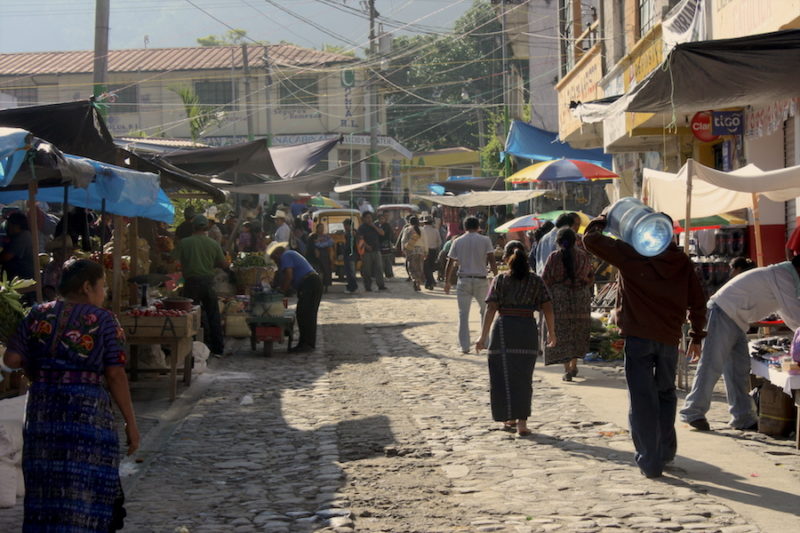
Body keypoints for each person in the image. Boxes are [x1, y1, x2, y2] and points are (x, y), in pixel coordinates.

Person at [2, 258, 139, 532]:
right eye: (102, 286)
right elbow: (115, 375)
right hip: (86, 414)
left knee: (46, 484)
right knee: (86, 485)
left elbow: (12, 358)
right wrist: (131, 424)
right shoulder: (104, 321)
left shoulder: (37, 314)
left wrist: (38, 367)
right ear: (87, 287)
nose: (104, 294)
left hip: (43, 413)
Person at [583, 213, 706, 478]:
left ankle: (650, 461)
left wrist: (604, 217)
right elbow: (698, 299)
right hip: (669, 339)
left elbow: (590, 239)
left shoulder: (629, 254)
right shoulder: (680, 260)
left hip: (639, 337)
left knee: (642, 399)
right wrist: (696, 335)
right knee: (665, 394)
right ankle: (665, 452)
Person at [680, 256, 800, 432]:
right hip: (723, 312)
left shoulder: (782, 276)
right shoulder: (782, 275)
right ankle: (693, 412)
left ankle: (743, 417)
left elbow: (788, 312)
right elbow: (794, 314)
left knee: (739, 369)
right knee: (711, 364)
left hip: (735, 318)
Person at [475, 240, 556, 436]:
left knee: (502, 377)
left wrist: (482, 337)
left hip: (504, 331)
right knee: (523, 378)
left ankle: (508, 418)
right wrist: (552, 333)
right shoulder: (536, 280)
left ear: (506, 258)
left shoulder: (500, 280)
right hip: (527, 331)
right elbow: (548, 308)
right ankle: (521, 423)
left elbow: (491, 308)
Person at [542, 227, 593, 381]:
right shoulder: (584, 257)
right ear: (575, 241)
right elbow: (590, 277)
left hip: (560, 300)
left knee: (561, 332)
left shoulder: (554, 257)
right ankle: (574, 365)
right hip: (580, 299)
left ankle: (566, 369)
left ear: (558, 241)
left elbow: (545, 279)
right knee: (577, 332)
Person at [174, 215, 228, 356]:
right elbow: (223, 264)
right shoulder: (213, 244)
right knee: (213, 315)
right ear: (206, 227)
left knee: (189, 316)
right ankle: (217, 349)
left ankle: (189, 349)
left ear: (193, 227)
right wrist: (210, 263)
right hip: (208, 282)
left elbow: (172, 260)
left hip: (191, 283)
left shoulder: (184, 243)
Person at [444, 216, 498, 354]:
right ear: (478, 227)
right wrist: (497, 278)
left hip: (464, 280)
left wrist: (447, 282)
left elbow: (450, 262)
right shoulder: (485, 240)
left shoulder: (457, 241)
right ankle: (485, 341)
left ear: (464, 227)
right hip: (481, 280)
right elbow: (492, 260)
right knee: (485, 312)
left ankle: (465, 346)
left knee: (463, 314)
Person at [269, 242, 323, 352]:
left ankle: (307, 344)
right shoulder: (289, 255)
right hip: (310, 283)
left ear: (277, 254)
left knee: (306, 313)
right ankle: (305, 343)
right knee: (304, 313)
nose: (276, 262)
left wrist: (282, 291)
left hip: (310, 283)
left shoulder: (286, 256)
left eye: (275, 259)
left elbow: (289, 276)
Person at [356, 211, 387, 292]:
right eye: (367, 218)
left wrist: (374, 226)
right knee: (367, 270)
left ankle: (381, 285)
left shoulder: (375, 225)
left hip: (376, 250)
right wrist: (366, 246)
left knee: (379, 268)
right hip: (367, 252)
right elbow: (360, 238)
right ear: (363, 219)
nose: (369, 219)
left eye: (370, 217)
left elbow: (382, 233)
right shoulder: (362, 227)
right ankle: (368, 286)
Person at [0, 211, 35, 282]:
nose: (8, 226)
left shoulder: (23, 236)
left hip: (22, 278)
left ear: (17, 225)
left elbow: (6, 257)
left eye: (10, 224)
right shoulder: (16, 236)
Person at [42, 234, 76, 301]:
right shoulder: (52, 267)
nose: (56, 256)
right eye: (54, 252)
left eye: (59, 252)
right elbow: (48, 289)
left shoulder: (76, 265)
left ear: (70, 252)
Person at [401, 215, 427, 292]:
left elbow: (403, 240)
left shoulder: (407, 229)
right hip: (421, 251)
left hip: (410, 250)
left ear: (409, 222)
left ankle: (415, 280)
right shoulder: (422, 229)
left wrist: (403, 249)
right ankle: (418, 283)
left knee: (412, 268)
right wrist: (426, 251)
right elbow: (425, 241)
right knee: (419, 268)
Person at [307, 222, 334, 291]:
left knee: (326, 271)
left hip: (325, 255)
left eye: (322, 228)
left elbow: (331, 242)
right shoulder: (313, 236)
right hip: (315, 257)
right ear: (317, 228)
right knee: (317, 271)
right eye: (320, 228)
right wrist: (318, 244)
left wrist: (321, 243)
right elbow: (312, 245)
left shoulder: (326, 236)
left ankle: (325, 286)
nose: (321, 229)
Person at [421, 215, 442, 290]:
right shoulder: (435, 230)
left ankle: (430, 282)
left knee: (426, 267)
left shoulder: (422, 230)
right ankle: (429, 282)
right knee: (430, 267)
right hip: (433, 251)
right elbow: (439, 242)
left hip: (424, 251)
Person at [376, 212, 395, 279]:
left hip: (386, 245)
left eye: (383, 219)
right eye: (380, 219)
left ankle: (389, 274)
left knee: (387, 260)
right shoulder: (376, 224)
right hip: (378, 245)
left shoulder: (386, 225)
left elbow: (383, 234)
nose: (381, 220)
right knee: (380, 260)